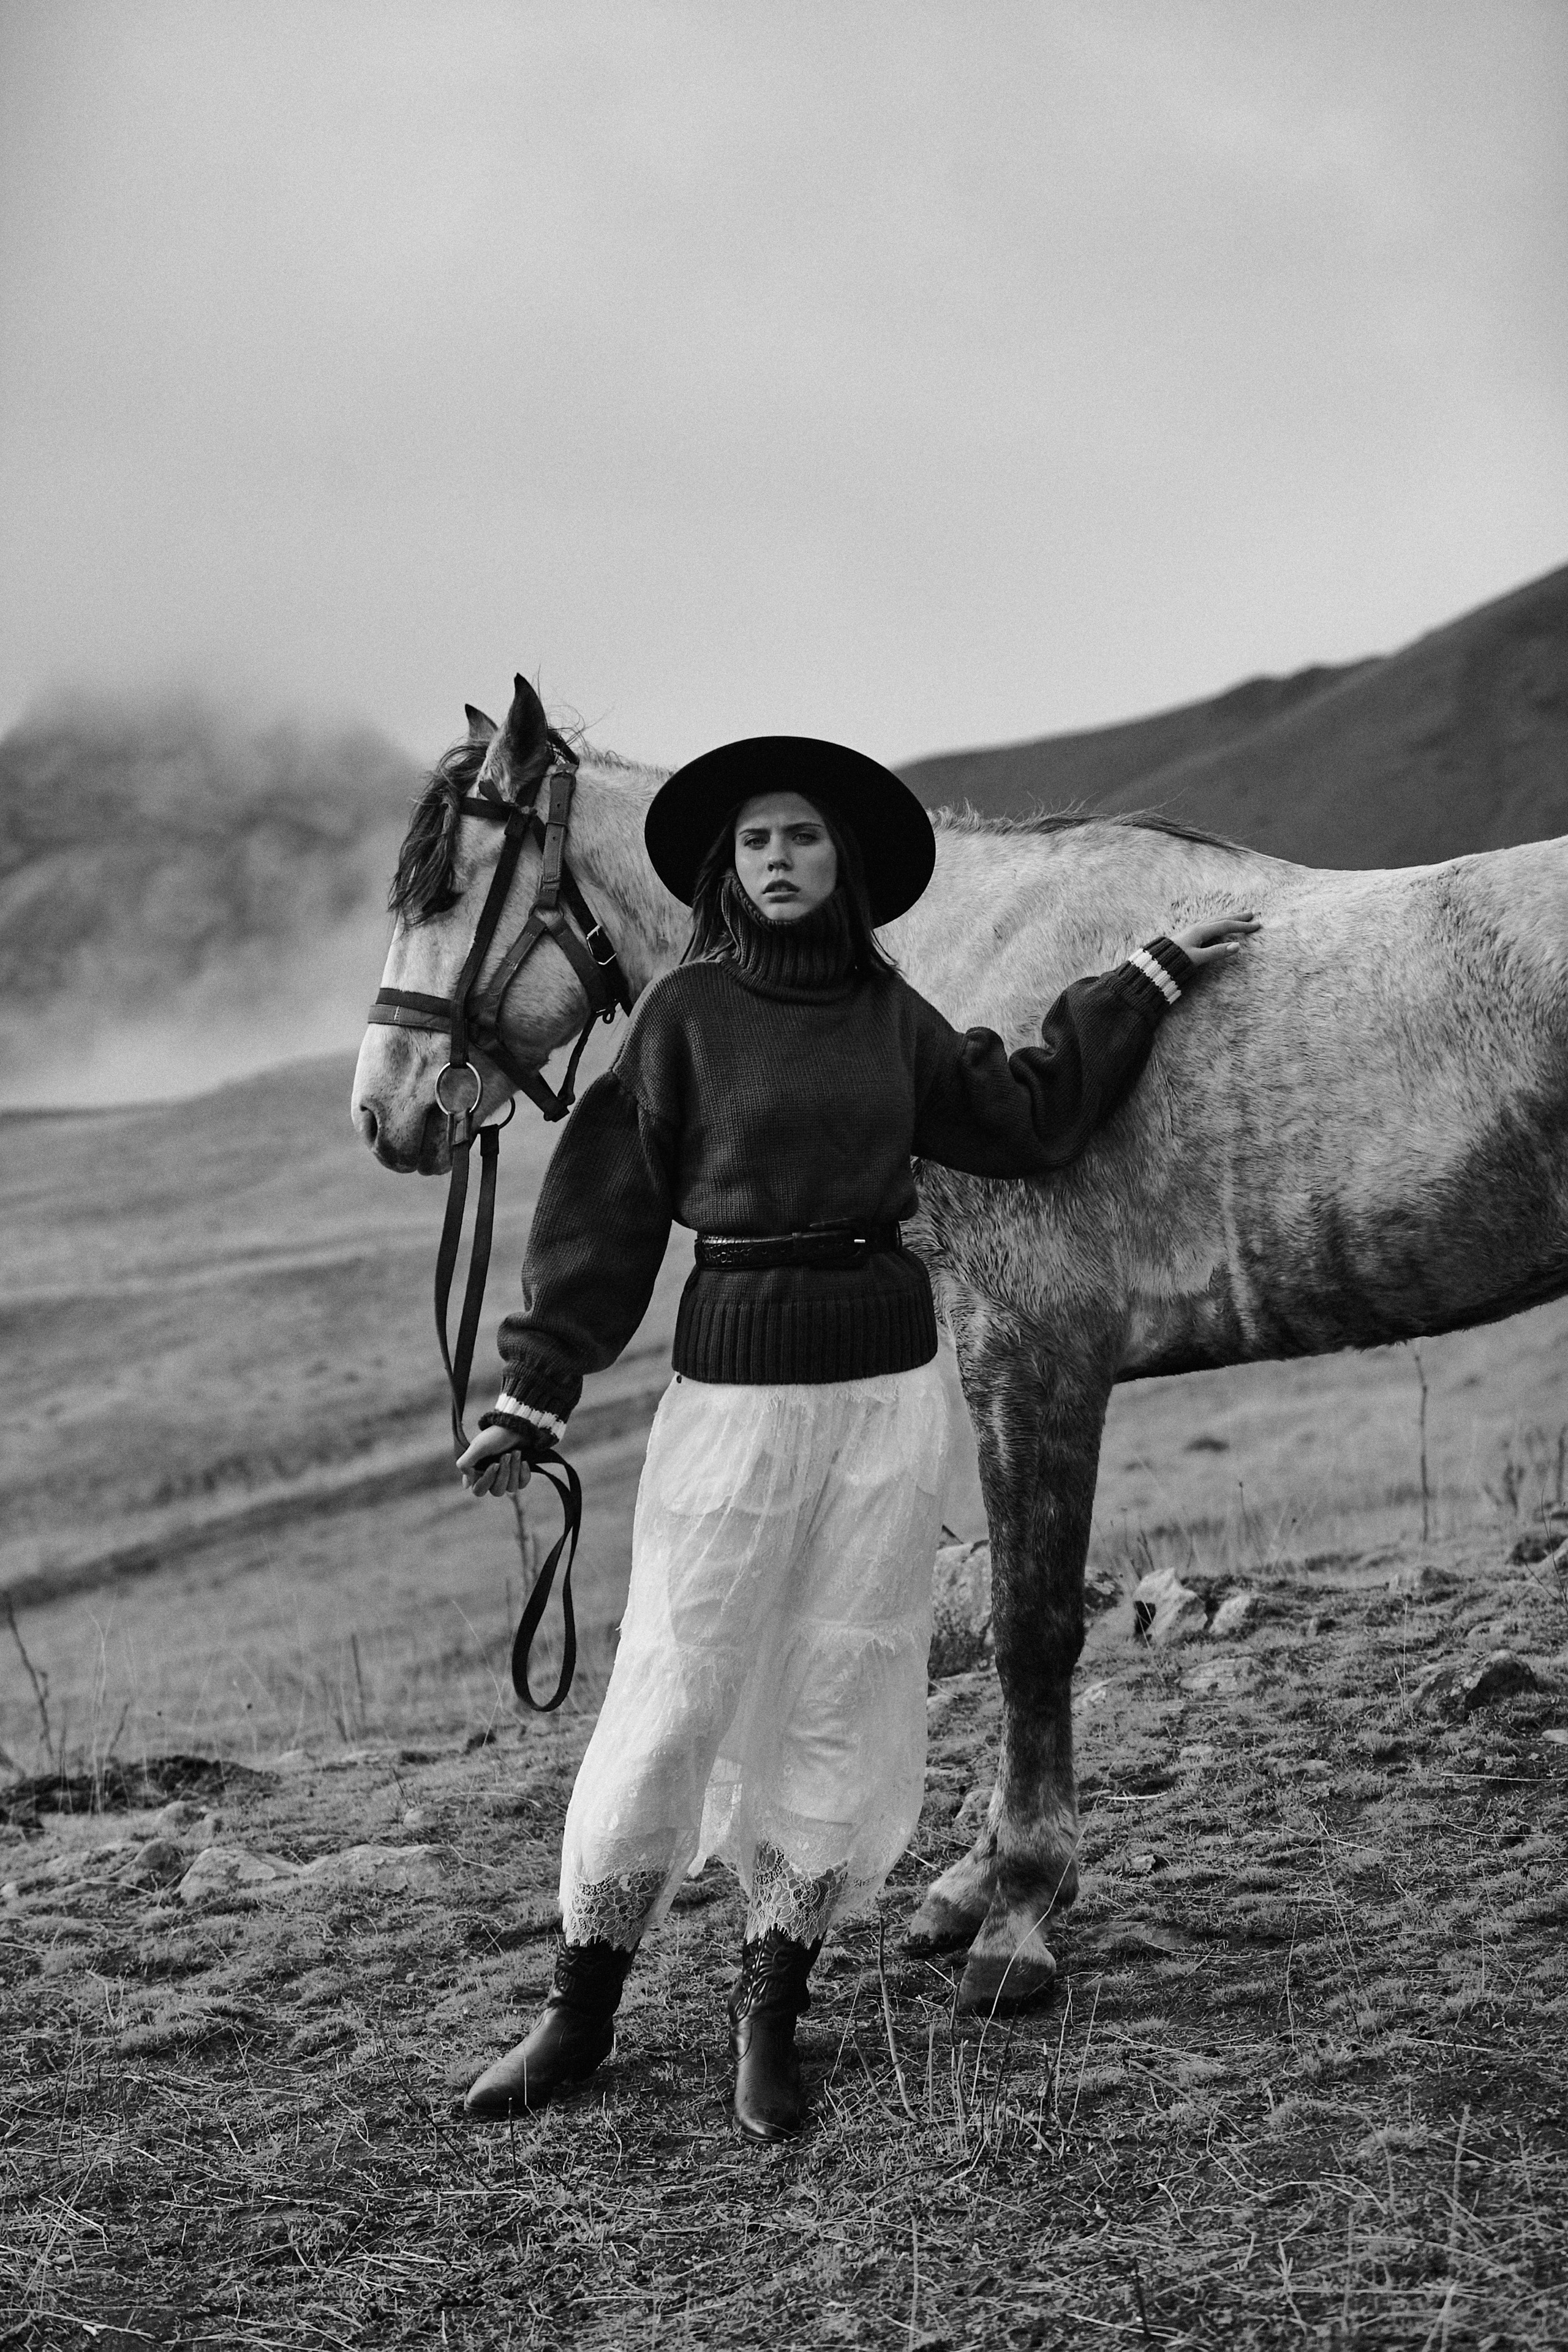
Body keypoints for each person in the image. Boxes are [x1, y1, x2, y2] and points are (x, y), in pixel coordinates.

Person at [455, 737, 1257, 2140]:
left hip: (886, 1397)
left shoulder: (890, 1013)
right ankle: (578, 2011)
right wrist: (534, 1387)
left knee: (840, 1689)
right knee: (673, 1686)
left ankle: (771, 2013)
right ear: (725, 869)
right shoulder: (682, 1017)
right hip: (733, 1403)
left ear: (843, 865)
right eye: (756, 840)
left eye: (804, 838)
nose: (779, 859)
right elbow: (603, 1212)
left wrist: (1136, 985)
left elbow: (1026, 1115)